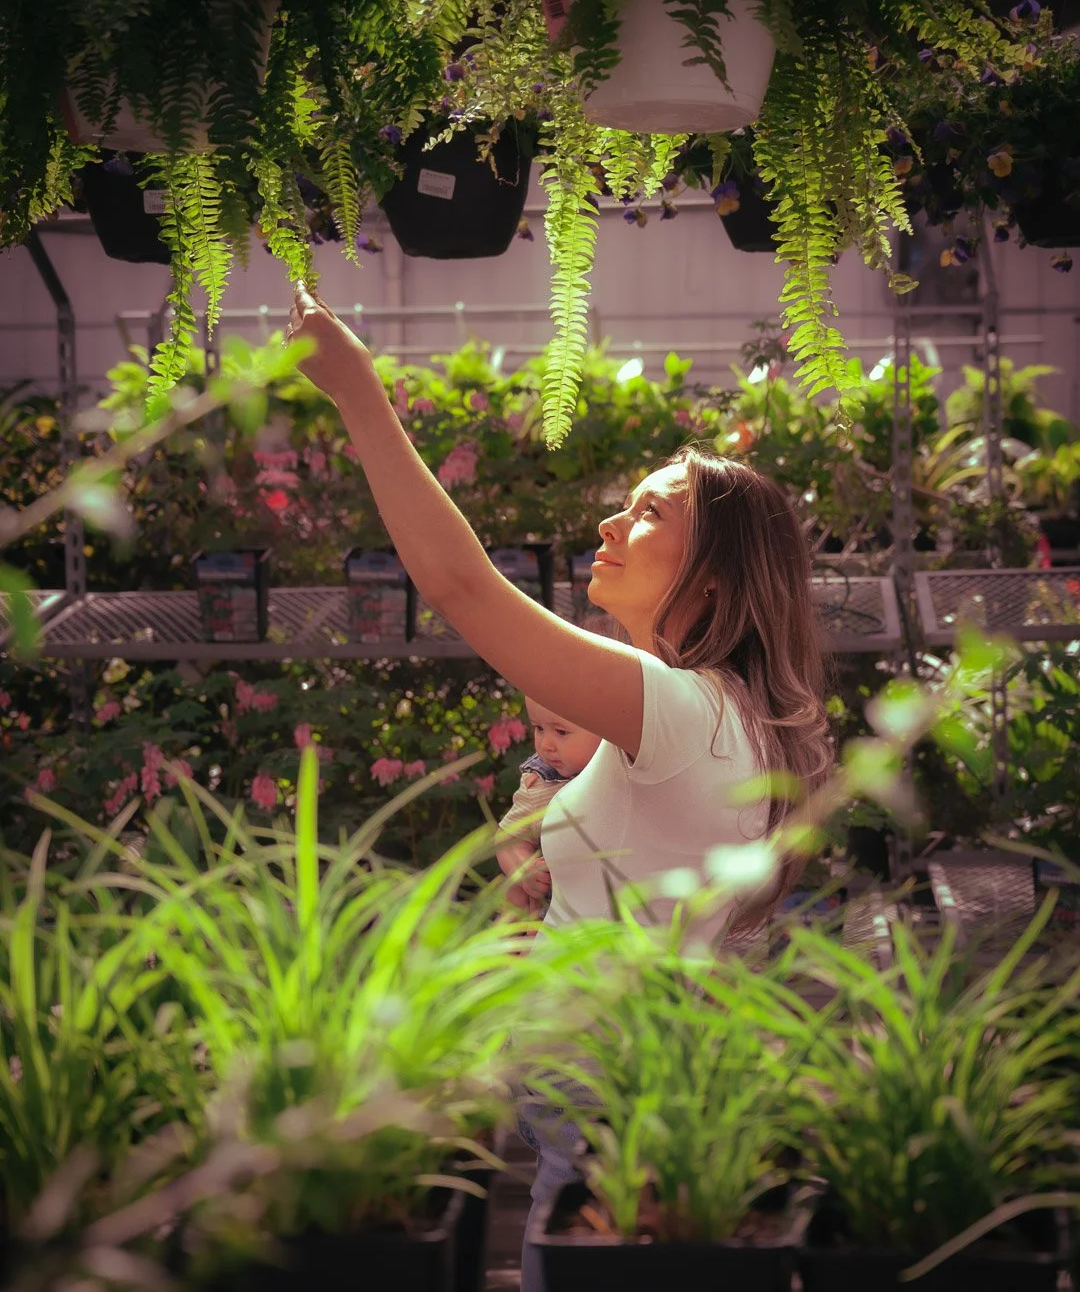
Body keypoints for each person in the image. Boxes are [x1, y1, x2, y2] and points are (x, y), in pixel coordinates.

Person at [285, 282, 832, 1292]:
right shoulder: (713, 713)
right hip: (614, 1107)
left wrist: (359, 396)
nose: (610, 520)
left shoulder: (679, 706)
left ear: (711, 577)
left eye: (651, 511)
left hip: (611, 1117)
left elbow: (458, 586)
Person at [495, 696, 602, 917]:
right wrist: (524, 870)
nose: (545, 745)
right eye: (539, 728)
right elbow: (508, 838)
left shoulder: (627, 770)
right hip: (559, 915)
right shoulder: (539, 784)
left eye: (561, 732)